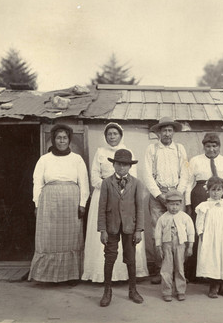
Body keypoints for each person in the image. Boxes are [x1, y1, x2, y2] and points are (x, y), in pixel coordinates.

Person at [82, 123, 148, 282]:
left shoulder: (128, 151)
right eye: (109, 134)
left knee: (127, 236)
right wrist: (109, 186)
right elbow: (94, 177)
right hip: (105, 194)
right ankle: (102, 277)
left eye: (115, 134)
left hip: (126, 197)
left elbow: (132, 176)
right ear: (105, 136)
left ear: (120, 135)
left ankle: (127, 277)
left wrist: (122, 190)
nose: (112, 137)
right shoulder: (100, 152)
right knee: (107, 238)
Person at [29, 124, 89, 284]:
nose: (61, 141)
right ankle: (46, 276)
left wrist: (82, 203)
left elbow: (84, 182)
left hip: (71, 202)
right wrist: (36, 204)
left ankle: (71, 276)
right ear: (53, 140)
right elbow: (37, 183)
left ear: (69, 140)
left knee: (71, 238)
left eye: (65, 138)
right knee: (48, 238)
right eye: (58, 138)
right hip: (49, 202)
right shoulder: (44, 159)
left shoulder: (77, 159)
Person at [184, 133, 223, 281]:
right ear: (204, 147)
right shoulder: (194, 161)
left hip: (222, 202)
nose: (211, 149)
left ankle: (222, 273)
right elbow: (188, 184)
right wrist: (188, 205)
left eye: (214, 146)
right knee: (201, 233)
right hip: (200, 201)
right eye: (208, 146)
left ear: (219, 146)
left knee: (221, 235)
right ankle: (198, 273)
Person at [143, 117, 189, 284]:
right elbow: (147, 174)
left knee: (178, 232)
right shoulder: (152, 149)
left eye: (170, 130)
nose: (167, 134)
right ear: (159, 132)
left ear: (173, 132)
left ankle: (179, 271)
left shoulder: (180, 149)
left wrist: (178, 194)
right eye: (164, 131)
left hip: (175, 194)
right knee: (159, 232)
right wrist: (158, 195)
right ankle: (160, 269)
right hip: (158, 195)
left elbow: (185, 171)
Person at [98, 149, 145, 307]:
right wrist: (102, 230)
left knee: (130, 258)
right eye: (119, 164)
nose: (122, 168)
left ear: (130, 166)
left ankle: (133, 290)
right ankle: (107, 291)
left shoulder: (136, 183)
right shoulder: (106, 183)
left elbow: (140, 208)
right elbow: (102, 207)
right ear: (114, 165)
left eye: (125, 165)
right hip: (111, 226)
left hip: (129, 226)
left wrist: (138, 229)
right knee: (109, 257)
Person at [195, 177, 223, 299]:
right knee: (212, 260)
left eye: (218, 190)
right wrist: (202, 235)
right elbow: (199, 223)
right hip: (210, 238)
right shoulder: (204, 206)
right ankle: (213, 286)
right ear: (208, 191)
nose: (216, 193)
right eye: (213, 190)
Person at [154, 190, 195, 302]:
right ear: (166, 204)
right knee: (166, 269)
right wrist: (158, 247)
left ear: (181, 204)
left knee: (180, 268)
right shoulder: (163, 218)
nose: (174, 207)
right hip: (166, 245)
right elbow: (158, 233)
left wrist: (190, 246)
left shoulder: (185, 217)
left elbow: (191, 232)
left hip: (180, 245)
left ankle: (180, 290)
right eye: (171, 204)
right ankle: (167, 291)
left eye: (177, 204)